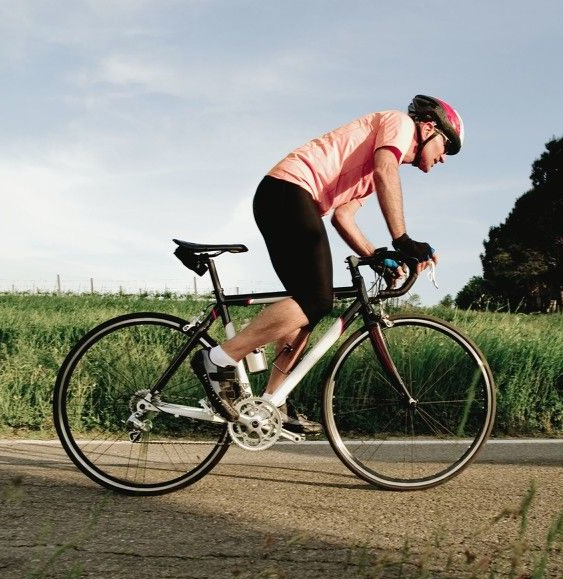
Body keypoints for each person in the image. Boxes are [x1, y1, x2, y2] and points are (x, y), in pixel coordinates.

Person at [191, 94, 465, 434]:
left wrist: (376, 257)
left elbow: (343, 218)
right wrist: (402, 240)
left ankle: (274, 401)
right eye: (446, 146)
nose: (444, 158)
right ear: (428, 127)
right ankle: (219, 359)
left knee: (308, 306)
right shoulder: (398, 124)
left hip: (291, 199)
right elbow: (385, 171)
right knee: (316, 299)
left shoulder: (374, 166)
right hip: (288, 191)